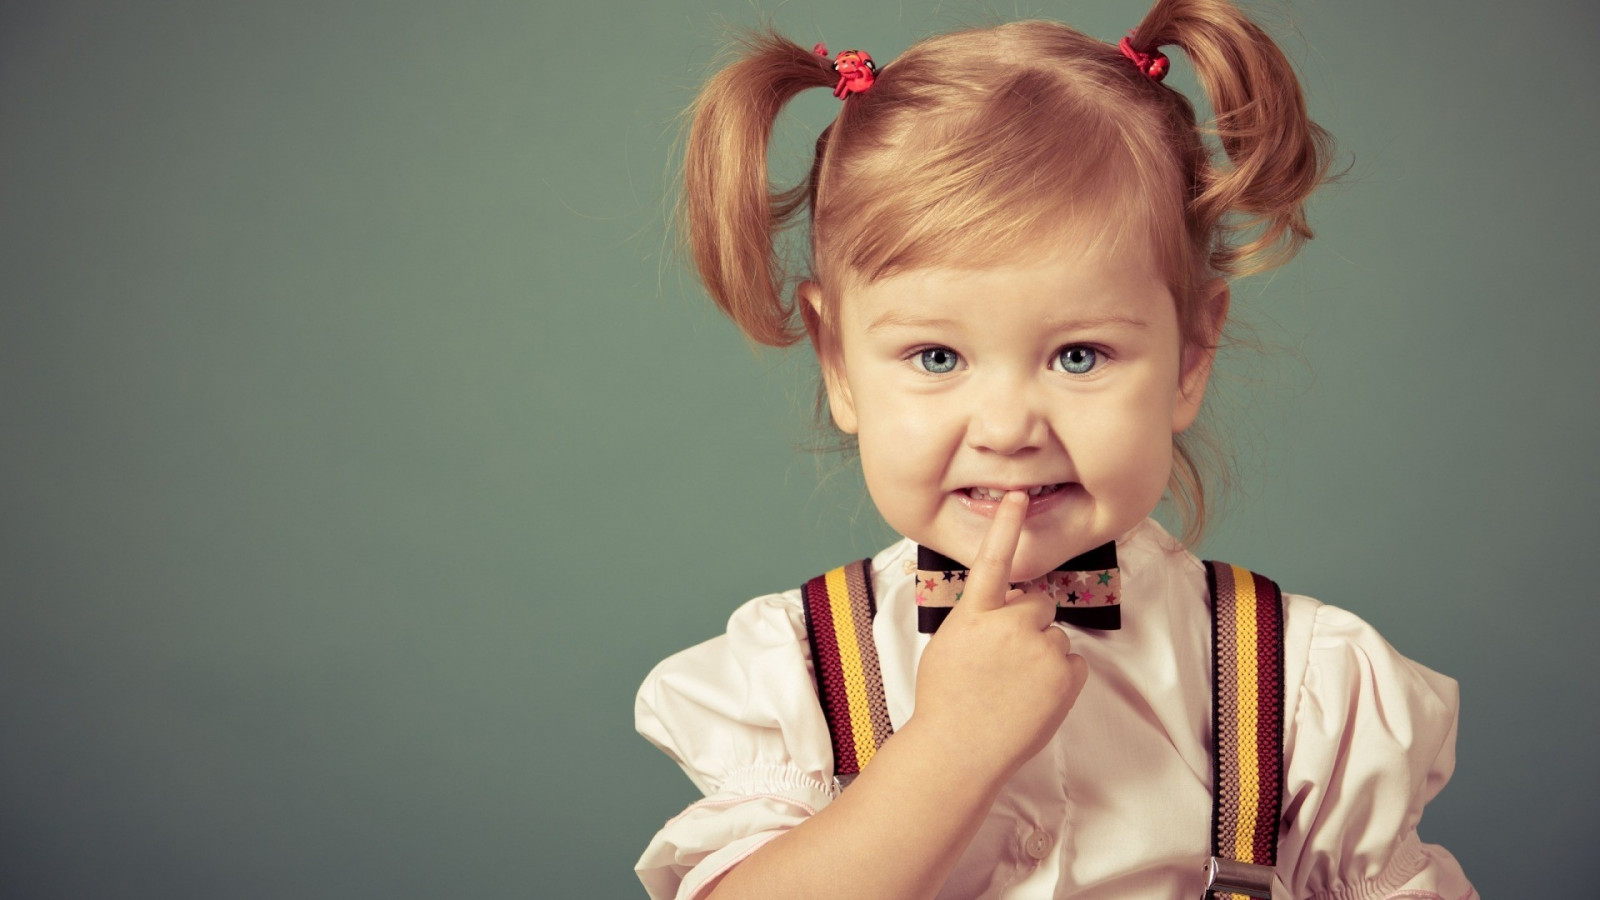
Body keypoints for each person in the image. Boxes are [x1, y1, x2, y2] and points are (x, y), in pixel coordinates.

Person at [634, 1, 1476, 897]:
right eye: (937, 356)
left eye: (1079, 356)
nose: (1006, 428)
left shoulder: (1307, 688)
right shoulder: (794, 675)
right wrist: (950, 749)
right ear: (838, 362)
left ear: (1192, 355)